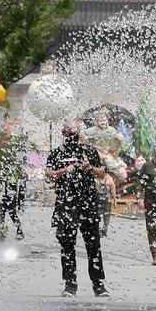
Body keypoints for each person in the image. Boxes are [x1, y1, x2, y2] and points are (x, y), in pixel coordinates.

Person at [45, 120, 109, 298]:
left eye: (75, 131)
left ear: (79, 133)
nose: (72, 134)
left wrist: (90, 167)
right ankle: (70, 284)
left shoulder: (88, 150)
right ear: (63, 133)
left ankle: (99, 285)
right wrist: (64, 170)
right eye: (68, 131)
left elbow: (103, 171)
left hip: (88, 203)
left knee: (93, 245)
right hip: (66, 203)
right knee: (67, 245)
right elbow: (48, 173)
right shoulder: (57, 152)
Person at [0, 151, 27, 241]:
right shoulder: (3, 170)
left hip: (11, 197)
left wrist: (20, 202)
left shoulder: (14, 171)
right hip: (3, 196)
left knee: (12, 215)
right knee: (1, 215)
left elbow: (18, 187)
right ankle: (2, 232)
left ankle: (19, 231)